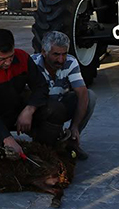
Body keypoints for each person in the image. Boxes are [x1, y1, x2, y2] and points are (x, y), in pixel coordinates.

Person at [0, 29, 68, 156]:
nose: (8, 62)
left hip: (19, 108)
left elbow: (41, 86)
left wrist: (29, 110)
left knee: (56, 109)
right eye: (2, 59)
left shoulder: (22, 57)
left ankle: (44, 148)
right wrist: (7, 138)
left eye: (11, 56)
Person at [31, 31, 96, 160]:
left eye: (64, 54)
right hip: (41, 109)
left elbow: (82, 93)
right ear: (44, 52)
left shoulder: (70, 62)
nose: (61, 60)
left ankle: (72, 140)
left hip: (60, 104)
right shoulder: (32, 63)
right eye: (56, 54)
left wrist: (75, 126)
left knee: (90, 96)